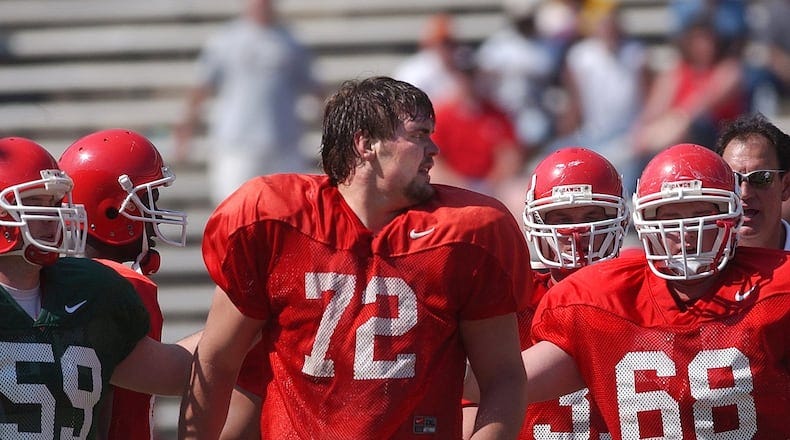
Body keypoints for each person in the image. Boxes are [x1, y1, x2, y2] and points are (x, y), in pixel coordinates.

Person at [178, 76, 533, 439]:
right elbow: (217, 362)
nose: (434, 149)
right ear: (366, 144)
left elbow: (503, 377)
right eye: (418, 134)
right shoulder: (275, 221)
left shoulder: (467, 232)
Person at [521, 143, 789, 439]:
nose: (688, 232)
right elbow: (502, 382)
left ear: (733, 217)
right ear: (644, 222)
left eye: (702, 214)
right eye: (671, 219)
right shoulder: (599, 296)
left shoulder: (777, 285)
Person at [0, 136, 192, 439]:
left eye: (55, 204)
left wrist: (243, 315)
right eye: (37, 204)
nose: (53, 219)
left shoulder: (92, 290)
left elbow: (183, 371)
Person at [463, 147, 628, 439]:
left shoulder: (640, 292)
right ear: (536, 223)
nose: (576, 232)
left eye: (591, 215)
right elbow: (469, 407)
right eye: (561, 218)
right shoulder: (509, 299)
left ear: (621, 218)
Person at [58, 128, 189, 440]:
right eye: (149, 199)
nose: (156, 215)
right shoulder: (119, 286)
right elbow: (172, 374)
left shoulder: (59, 280)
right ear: (113, 210)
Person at [175, 0, 321, 206]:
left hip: (283, 143)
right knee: (233, 211)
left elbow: (314, 88)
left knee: (289, 211)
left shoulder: (291, 41)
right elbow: (202, 87)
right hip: (237, 144)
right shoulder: (225, 40)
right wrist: (186, 129)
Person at [715, 113, 790, 250]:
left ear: (785, 186)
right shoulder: (701, 266)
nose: (744, 193)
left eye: (760, 178)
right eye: (733, 179)